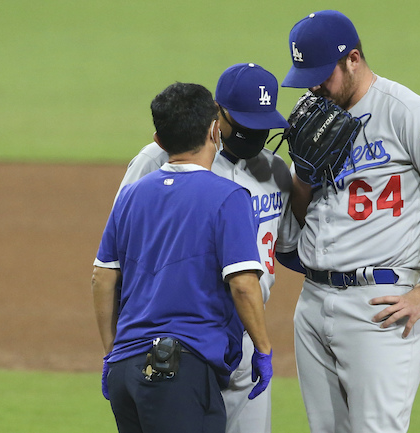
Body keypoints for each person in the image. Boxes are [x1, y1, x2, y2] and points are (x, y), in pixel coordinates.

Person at [281, 10, 420, 433]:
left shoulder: (408, 113)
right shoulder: (316, 116)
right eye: (306, 77)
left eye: (323, 74)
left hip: (380, 307)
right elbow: (309, 213)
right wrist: (301, 175)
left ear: (353, 59)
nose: (314, 86)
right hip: (314, 300)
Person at [113, 63, 301, 433]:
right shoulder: (156, 161)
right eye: (242, 122)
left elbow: (290, 248)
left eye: (260, 124)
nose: (251, 133)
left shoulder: (277, 171)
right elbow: (120, 249)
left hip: (246, 335)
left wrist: (306, 182)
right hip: (181, 341)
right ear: (218, 114)